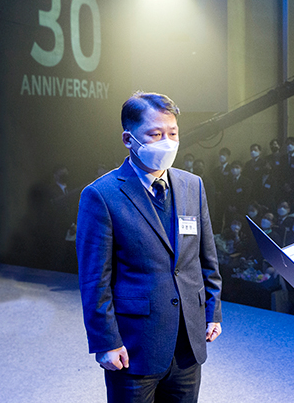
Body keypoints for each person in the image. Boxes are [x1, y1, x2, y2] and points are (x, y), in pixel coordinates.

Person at [76, 92, 222, 403]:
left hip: (188, 343)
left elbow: (206, 259)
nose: (167, 142)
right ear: (128, 139)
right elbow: (94, 279)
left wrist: (212, 311)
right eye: (155, 135)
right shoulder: (101, 195)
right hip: (133, 347)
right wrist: (106, 342)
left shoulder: (192, 185)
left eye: (173, 133)